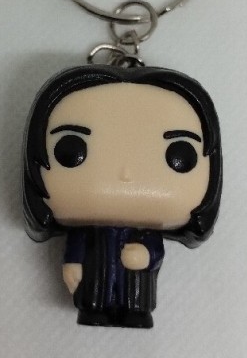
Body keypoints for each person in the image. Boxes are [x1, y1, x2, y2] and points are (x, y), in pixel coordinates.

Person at [23, 65, 222, 328]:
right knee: (93, 296)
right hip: (95, 280)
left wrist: (147, 256)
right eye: (71, 150)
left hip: (137, 284)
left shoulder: (148, 233)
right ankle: (92, 311)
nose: (126, 173)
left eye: (179, 155)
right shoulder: (84, 230)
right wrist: (72, 265)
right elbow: (76, 246)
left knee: (137, 296)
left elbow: (155, 251)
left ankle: (137, 313)